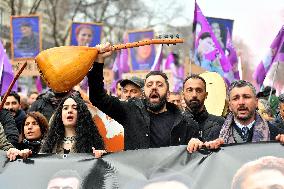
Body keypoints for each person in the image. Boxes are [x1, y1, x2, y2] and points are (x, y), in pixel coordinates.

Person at [87, 43, 199, 150]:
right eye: (149, 85)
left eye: (159, 85)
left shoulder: (186, 123)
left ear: (168, 94)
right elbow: (97, 97)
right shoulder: (130, 110)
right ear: (144, 93)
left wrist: (197, 142)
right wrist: (98, 61)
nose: (154, 88)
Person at [187, 80, 284, 153]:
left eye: (246, 97)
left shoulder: (275, 134)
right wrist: (196, 146)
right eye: (235, 98)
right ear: (229, 105)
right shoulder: (214, 133)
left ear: (256, 102)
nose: (241, 102)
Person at [40, 93, 105, 157]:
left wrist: (100, 156)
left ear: (81, 114)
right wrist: (30, 158)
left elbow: (101, 166)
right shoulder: (50, 143)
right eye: (65, 108)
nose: (70, 111)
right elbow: (41, 164)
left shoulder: (92, 143)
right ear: (60, 115)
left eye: (75, 108)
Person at [183, 75, 225, 144]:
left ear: (206, 95)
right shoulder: (174, 124)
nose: (194, 95)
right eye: (190, 90)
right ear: (183, 95)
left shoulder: (221, 123)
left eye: (198, 90)